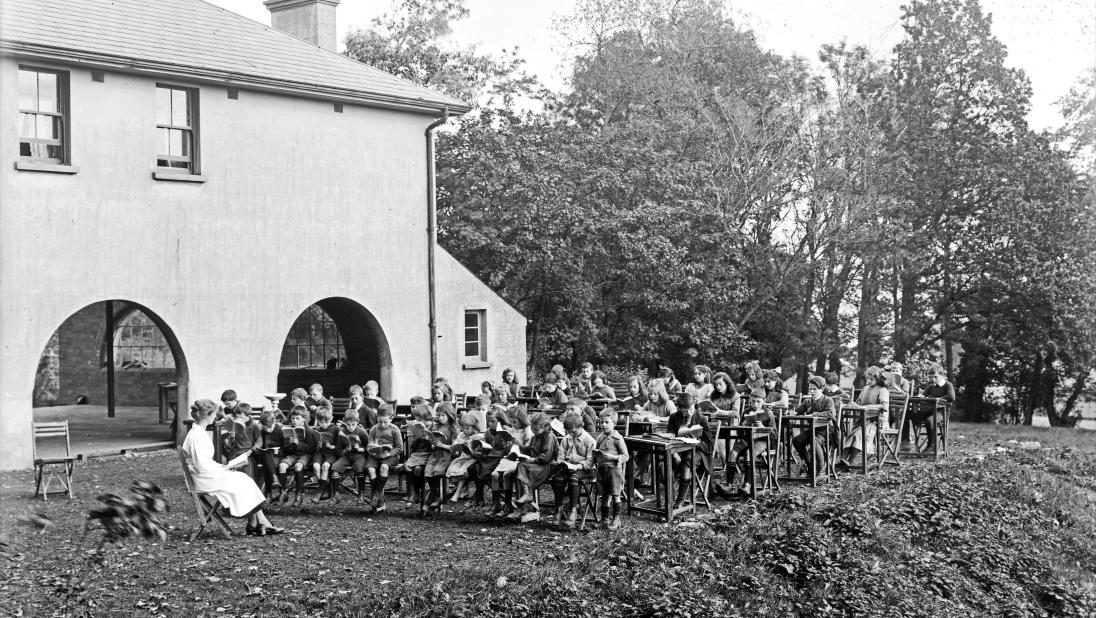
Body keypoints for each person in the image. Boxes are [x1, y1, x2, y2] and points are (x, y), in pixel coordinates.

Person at [182, 399, 283, 535]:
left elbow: (204, 463)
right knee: (243, 479)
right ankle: (260, 523)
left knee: (244, 479)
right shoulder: (196, 436)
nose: (216, 417)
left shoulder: (199, 433)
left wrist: (223, 467)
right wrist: (222, 469)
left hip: (206, 475)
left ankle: (258, 522)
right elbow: (201, 466)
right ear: (207, 415)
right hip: (203, 479)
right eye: (214, 415)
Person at [550, 413, 596, 529]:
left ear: (581, 427)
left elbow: (590, 462)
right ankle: (559, 509)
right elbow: (560, 456)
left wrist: (576, 465)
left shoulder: (589, 440)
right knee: (557, 478)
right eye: (569, 431)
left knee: (573, 478)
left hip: (585, 469)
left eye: (573, 431)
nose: (571, 434)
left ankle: (573, 510)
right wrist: (563, 462)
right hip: (568, 467)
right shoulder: (567, 439)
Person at [667, 392, 713, 508]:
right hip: (677, 451)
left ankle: (680, 500)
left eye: (691, 409)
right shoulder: (674, 417)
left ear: (694, 405)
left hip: (696, 453)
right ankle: (669, 498)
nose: (689, 413)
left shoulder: (701, 419)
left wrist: (695, 441)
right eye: (685, 411)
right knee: (663, 464)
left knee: (687, 463)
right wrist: (675, 454)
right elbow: (669, 438)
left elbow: (709, 446)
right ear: (679, 409)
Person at [512, 413, 560, 521]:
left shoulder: (549, 436)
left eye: (536, 429)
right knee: (519, 468)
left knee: (521, 467)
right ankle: (524, 500)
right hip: (535, 465)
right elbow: (529, 450)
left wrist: (533, 460)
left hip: (546, 466)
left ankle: (524, 501)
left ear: (545, 427)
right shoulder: (535, 436)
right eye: (532, 428)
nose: (533, 431)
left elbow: (546, 456)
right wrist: (519, 444)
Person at [839, 366, 889, 467]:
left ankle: (850, 461)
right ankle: (842, 460)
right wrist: (853, 404)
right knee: (851, 434)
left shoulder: (882, 390)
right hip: (862, 420)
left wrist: (867, 407)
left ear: (878, 379)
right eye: (867, 379)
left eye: (871, 379)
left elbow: (884, 406)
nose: (868, 381)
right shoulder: (865, 388)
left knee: (858, 434)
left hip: (876, 422)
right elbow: (858, 402)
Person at [791, 376, 837, 475]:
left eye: (814, 389)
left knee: (814, 440)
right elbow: (798, 411)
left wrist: (814, 414)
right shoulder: (808, 401)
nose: (812, 391)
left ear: (822, 389)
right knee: (796, 441)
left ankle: (821, 470)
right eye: (810, 389)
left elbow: (831, 414)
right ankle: (810, 464)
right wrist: (793, 413)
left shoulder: (828, 400)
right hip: (812, 430)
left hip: (825, 431)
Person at [592, 409, 629, 531]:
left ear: (614, 423)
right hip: (602, 470)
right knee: (604, 495)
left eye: (607, 422)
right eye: (601, 422)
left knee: (615, 494)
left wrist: (612, 457)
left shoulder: (618, 438)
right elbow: (596, 452)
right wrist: (595, 456)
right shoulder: (600, 438)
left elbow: (625, 456)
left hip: (614, 470)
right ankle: (604, 519)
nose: (603, 425)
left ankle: (616, 519)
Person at [364, 405, 404, 512]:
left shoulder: (395, 430)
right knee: (371, 469)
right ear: (377, 418)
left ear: (391, 419)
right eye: (380, 421)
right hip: (375, 456)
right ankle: (380, 499)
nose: (382, 424)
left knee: (384, 467)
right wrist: (374, 451)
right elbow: (369, 446)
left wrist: (388, 454)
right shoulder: (373, 429)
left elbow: (400, 448)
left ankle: (376, 495)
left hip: (390, 456)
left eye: (385, 422)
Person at [907, 364, 955, 451]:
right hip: (930, 410)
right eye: (931, 377)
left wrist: (938, 399)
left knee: (930, 420)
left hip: (942, 412)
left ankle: (931, 445)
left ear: (942, 375)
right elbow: (923, 395)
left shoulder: (948, 385)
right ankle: (905, 441)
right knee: (906, 414)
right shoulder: (931, 386)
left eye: (935, 377)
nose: (933, 379)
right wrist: (919, 396)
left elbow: (951, 397)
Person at [277, 407, 317, 506]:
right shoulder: (288, 430)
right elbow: (285, 448)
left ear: (304, 418)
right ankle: (283, 493)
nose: (294, 420)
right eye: (293, 418)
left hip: (305, 455)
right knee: (282, 466)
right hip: (292, 455)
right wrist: (290, 444)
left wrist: (298, 444)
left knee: (298, 466)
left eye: (297, 418)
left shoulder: (308, 431)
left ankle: (298, 495)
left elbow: (311, 448)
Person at [424, 403, 458, 511]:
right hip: (435, 455)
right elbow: (432, 443)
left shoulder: (454, 429)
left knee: (437, 473)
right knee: (428, 473)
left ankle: (431, 498)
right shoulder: (435, 426)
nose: (441, 418)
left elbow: (456, 447)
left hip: (446, 456)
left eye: (443, 415)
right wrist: (433, 444)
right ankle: (436, 495)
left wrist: (443, 445)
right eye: (439, 415)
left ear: (450, 415)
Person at [330, 410, 368, 504]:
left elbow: (369, 447)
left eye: (353, 424)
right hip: (346, 456)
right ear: (344, 422)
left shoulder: (361, 432)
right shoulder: (341, 432)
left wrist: (359, 449)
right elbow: (338, 449)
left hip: (359, 456)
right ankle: (336, 494)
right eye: (348, 424)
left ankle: (361, 495)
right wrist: (345, 450)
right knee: (335, 468)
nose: (351, 427)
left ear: (358, 422)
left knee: (360, 469)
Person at [402, 405, 434, 505]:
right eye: (418, 419)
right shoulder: (418, 426)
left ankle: (415, 493)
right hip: (417, 455)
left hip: (429, 455)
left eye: (421, 419)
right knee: (407, 466)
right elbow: (413, 448)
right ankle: (412, 493)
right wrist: (415, 437)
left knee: (417, 469)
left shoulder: (434, 427)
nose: (419, 422)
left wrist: (427, 437)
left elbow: (434, 445)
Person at [223, 403, 262, 480]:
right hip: (235, 453)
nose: (239, 419)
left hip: (247, 454)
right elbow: (230, 444)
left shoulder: (254, 426)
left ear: (248, 416)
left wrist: (251, 451)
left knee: (247, 471)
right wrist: (231, 437)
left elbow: (259, 442)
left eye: (241, 417)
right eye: (237, 417)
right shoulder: (235, 424)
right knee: (231, 473)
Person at [311, 405, 340, 502]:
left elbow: (339, 446)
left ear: (331, 419)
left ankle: (319, 492)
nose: (323, 424)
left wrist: (331, 446)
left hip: (331, 454)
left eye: (326, 422)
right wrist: (318, 445)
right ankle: (325, 487)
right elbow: (314, 448)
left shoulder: (335, 429)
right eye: (320, 422)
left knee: (325, 466)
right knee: (315, 466)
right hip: (319, 453)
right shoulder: (316, 430)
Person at [254, 410, 285, 500]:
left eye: (269, 427)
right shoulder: (262, 431)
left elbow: (285, 447)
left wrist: (278, 451)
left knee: (266, 466)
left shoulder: (279, 430)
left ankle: (268, 493)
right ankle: (274, 479)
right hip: (267, 456)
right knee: (266, 457)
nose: (268, 429)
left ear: (274, 422)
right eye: (265, 427)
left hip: (279, 456)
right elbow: (262, 445)